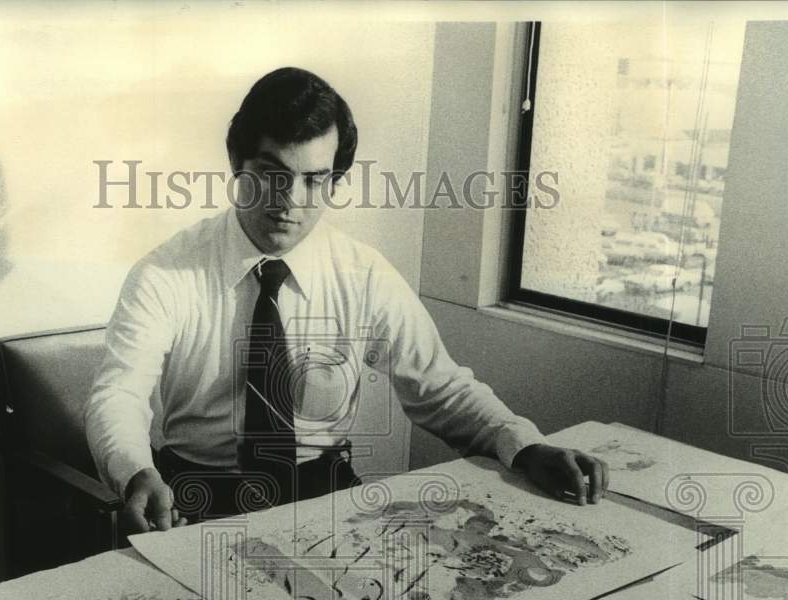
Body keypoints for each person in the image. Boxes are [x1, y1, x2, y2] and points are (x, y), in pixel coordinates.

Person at [85, 67, 608, 535]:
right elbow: (119, 395)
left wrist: (526, 444)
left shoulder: (362, 273)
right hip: (194, 505)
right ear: (235, 163)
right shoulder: (164, 274)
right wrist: (137, 473)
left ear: (334, 179)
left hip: (326, 502)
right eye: (271, 174)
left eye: (314, 180)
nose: (289, 203)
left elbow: (441, 388)